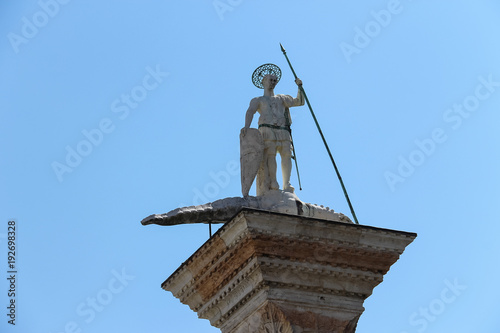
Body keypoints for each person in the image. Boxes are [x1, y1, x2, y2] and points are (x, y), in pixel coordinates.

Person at [243, 73, 304, 195]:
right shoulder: (258, 100)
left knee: (286, 153)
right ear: (263, 81)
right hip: (267, 129)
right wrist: (247, 126)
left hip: (282, 129)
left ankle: (287, 183)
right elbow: (250, 112)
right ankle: (273, 182)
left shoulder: (282, 98)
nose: (273, 82)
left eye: (275, 80)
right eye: (270, 80)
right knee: (271, 154)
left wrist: (300, 87)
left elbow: (299, 102)